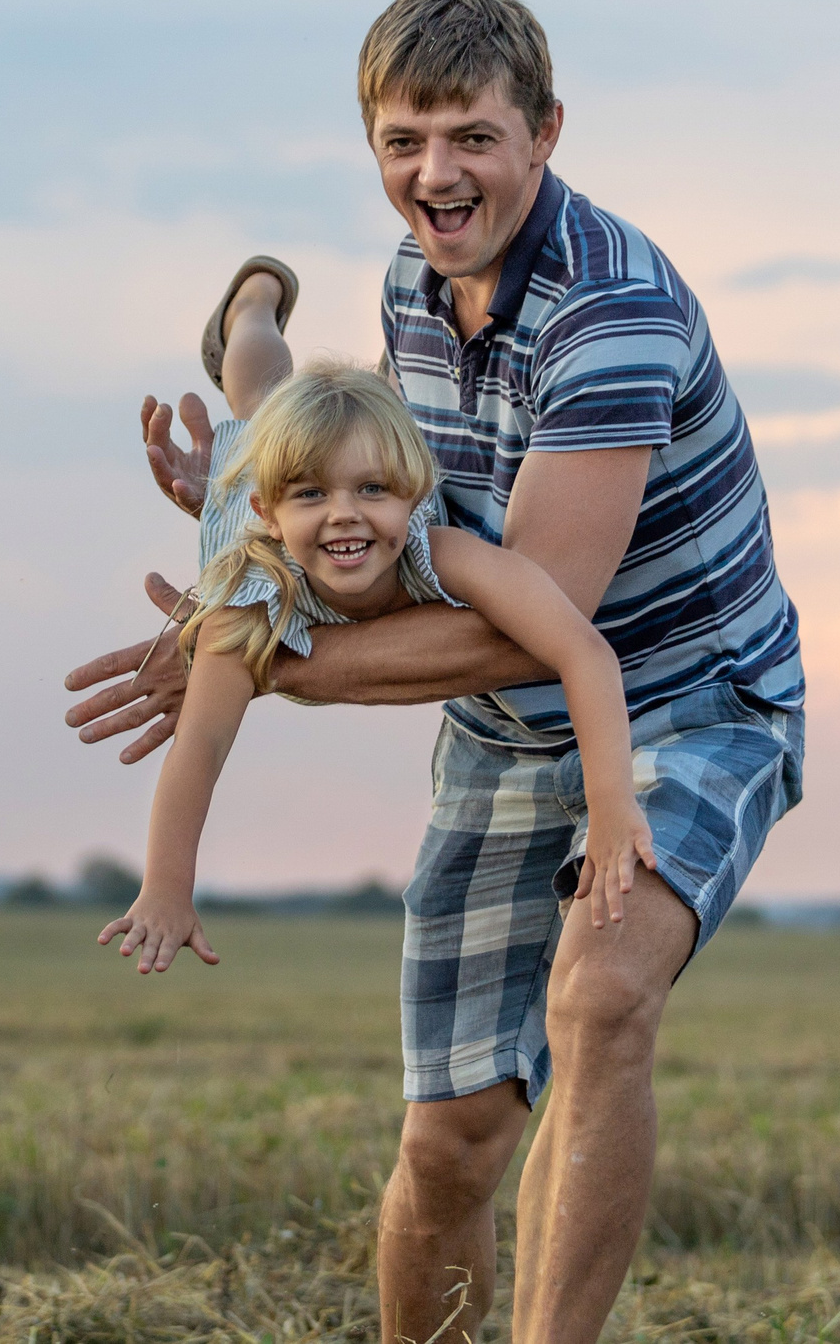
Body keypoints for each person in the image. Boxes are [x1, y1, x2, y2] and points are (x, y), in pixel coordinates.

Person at [64, 0, 805, 1344]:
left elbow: (527, 616)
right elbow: (396, 501)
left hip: (688, 701)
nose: (437, 172)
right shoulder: (415, 276)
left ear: (546, 132)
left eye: (472, 135)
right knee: (452, 1140)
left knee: (599, 992)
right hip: (501, 730)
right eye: (405, 140)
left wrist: (255, 658)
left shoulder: (609, 318)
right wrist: (262, 516)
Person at [97, 265, 656, 978]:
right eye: (311, 495)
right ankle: (251, 306)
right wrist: (166, 889)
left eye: (372, 488)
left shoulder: (439, 548)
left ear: (414, 487)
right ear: (272, 512)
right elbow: (199, 746)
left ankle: (327, 397)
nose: (345, 514)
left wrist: (611, 806)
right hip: (251, 497)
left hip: (343, 467)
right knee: (260, 394)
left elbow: (582, 649)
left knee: (328, 413)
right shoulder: (247, 605)